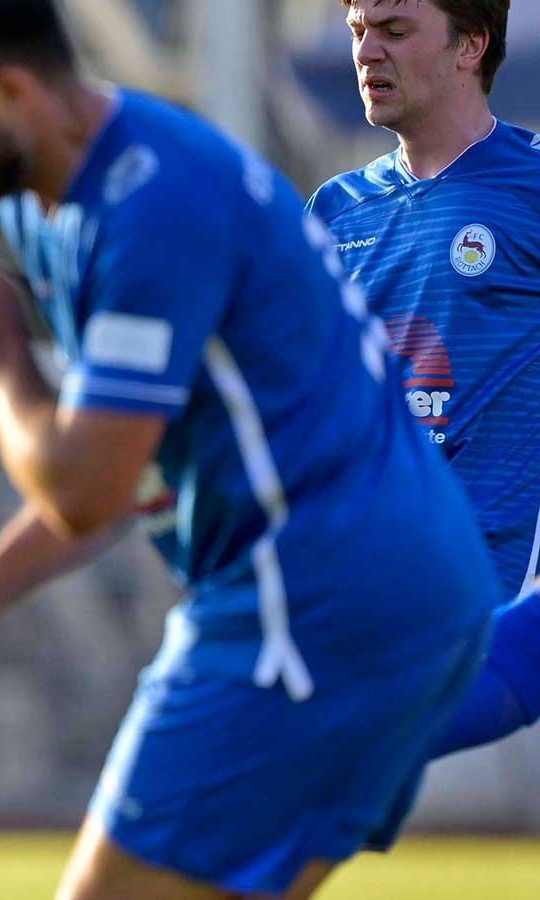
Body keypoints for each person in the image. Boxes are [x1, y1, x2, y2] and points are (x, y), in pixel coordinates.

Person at [0, 1, 501, 897]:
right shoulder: (57, 200)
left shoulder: (154, 205)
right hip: (405, 597)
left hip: (311, 604)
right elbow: (135, 467)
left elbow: (83, 485)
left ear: (9, 90)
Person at [308, 0, 540, 760]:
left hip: (497, 604)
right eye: (357, 32)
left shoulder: (530, 190)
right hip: (366, 592)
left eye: (395, 31)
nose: (368, 53)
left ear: (472, 44)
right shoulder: (336, 213)